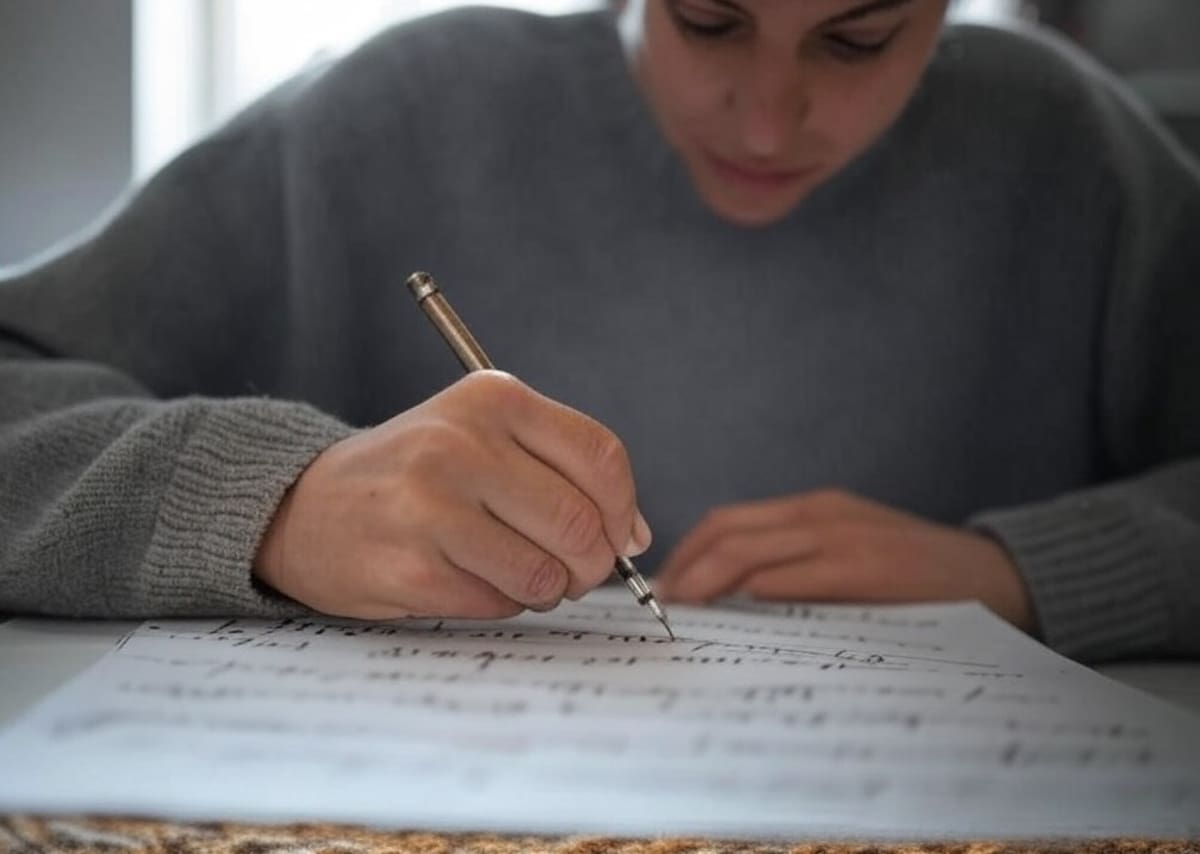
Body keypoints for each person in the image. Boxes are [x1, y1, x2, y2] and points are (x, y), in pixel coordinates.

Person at [1, 0, 1197, 665]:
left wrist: (1025, 572)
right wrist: (272, 502)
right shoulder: (391, 116)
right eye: (711, 19)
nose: (769, 116)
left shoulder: (1071, 153)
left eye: (856, 39)